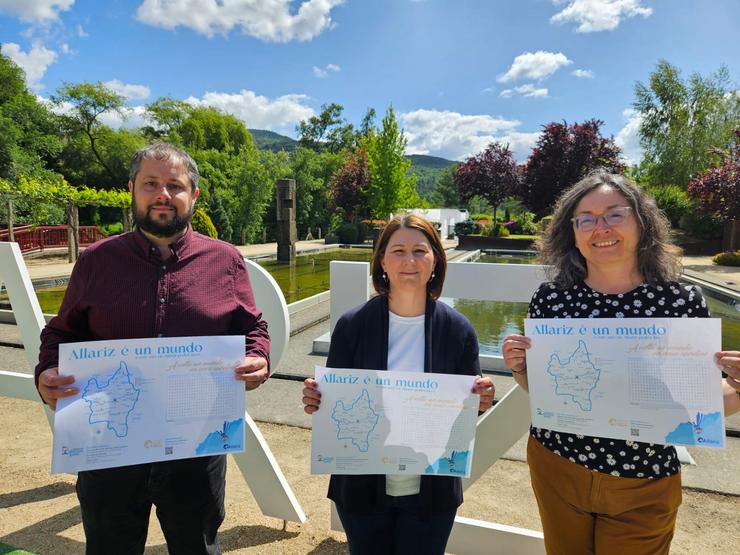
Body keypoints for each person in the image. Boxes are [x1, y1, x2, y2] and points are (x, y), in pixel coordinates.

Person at [34, 143, 270, 555]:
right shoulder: (96, 261)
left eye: (175, 185)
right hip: (109, 451)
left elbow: (252, 326)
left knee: (197, 547)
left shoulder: (226, 261)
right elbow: (60, 333)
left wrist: (259, 357)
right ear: (132, 190)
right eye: (151, 184)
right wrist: (47, 373)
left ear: (193, 195)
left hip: (196, 450)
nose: (163, 194)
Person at [502, 171, 740, 555]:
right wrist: (520, 369)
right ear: (573, 232)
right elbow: (544, 391)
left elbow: (700, 406)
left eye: (615, 214)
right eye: (586, 219)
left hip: (644, 479)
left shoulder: (680, 303)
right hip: (557, 467)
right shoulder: (550, 301)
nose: (601, 228)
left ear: (642, 222)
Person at [302, 214, 495, 555]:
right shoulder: (352, 326)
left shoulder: (458, 330)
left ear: (436, 260)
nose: (409, 261)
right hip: (362, 490)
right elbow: (332, 405)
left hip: (431, 494)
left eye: (420, 251)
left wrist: (482, 399)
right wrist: (318, 398)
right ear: (382, 261)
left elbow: (467, 411)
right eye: (398, 250)